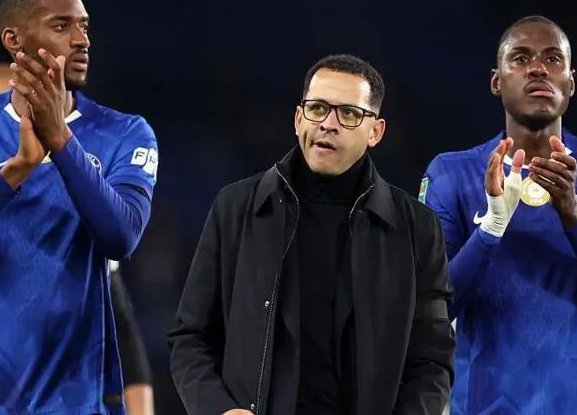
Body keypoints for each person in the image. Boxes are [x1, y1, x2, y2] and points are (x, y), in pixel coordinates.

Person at [0, 0, 158, 414]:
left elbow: (120, 237)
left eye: (84, 25)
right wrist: (16, 171)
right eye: (62, 25)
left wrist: (61, 142)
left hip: (73, 400)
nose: (82, 39)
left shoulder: (125, 133)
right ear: (14, 40)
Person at [169, 54, 454, 415]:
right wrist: (219, 410)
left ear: (375, 132)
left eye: (348, 113)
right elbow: (190, 338)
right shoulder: (236, 207)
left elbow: (432, 361)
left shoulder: (417, 227)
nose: (328, 124)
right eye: (317, 108)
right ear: (298, 118)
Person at [420, 15, 577, 414]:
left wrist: (573, 213)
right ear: (497, 81)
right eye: (521, 58)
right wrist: (491, 228)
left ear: (570, 83)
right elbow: (433, 311)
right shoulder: (450, 173)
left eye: (553, 59)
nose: (538, 68)